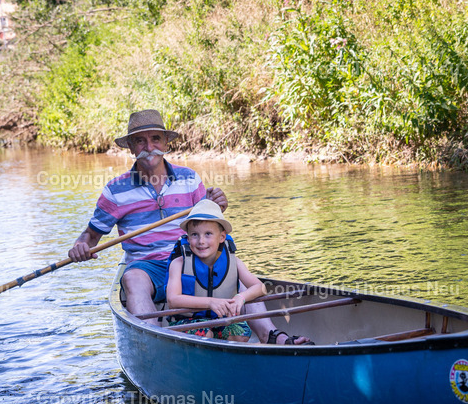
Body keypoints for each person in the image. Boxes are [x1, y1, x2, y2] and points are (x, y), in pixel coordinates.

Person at [67, 109, 310, 345]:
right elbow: (91, 236)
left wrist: (218, 205)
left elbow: (208, 221)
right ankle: (155, 344)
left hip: (189, 259)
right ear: (131, 147)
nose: (148, 146)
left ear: (165, 143)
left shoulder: (189, 179)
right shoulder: (115, 190)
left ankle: (271, 335)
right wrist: (80, 246)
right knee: (132, 279)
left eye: (155, 139)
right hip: (146, 265)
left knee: (232, 269)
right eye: (140, 141)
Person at [164, 199, 266, 341]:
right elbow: (173, 300)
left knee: (240, 332)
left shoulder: (234, 262)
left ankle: (228, 358)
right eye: (195, 235)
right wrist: (210, 302)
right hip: (187, 322)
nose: (201, 241)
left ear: (222, 237)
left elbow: (260, 287)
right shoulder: (179, 263)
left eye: (208, 234)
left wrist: (240, 298)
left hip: (220, 321)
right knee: (204, 334)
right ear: (188, 237)